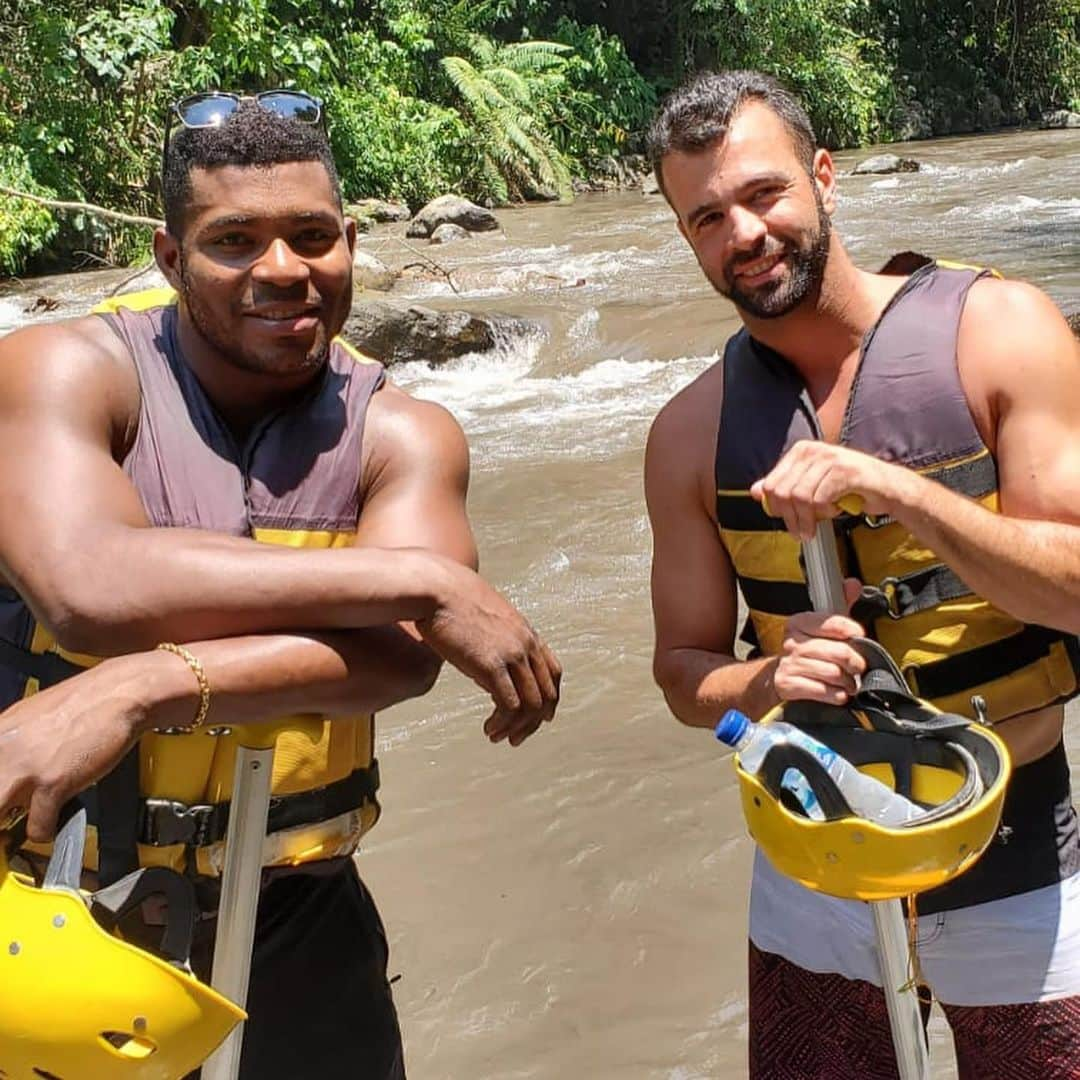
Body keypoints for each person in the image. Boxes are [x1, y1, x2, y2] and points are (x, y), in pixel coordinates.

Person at [0, 90, 561, 1079]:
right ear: (171, 260)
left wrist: (139, 685)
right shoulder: (62, 372)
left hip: (299, 913)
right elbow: (84, 584)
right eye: (234, 241)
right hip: (49, 903)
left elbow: (393, 661)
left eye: (310, 236)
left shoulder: (402, 434)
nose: (282, 271)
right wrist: (421, 581)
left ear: (350, 241)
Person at [643, 70, 1080, 1078]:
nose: (744, 233)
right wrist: (763, 681)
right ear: (687, 237)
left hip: (1013, 845)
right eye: (708, 216)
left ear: (824, 177)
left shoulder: (1001, 331)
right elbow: (680, 670)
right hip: (814, 855)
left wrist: (906, 491)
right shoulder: (686, 436)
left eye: (765, 194)